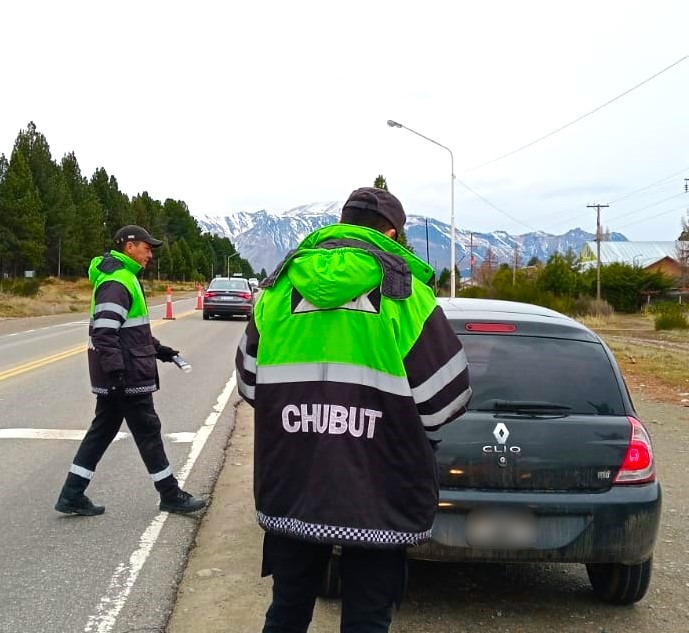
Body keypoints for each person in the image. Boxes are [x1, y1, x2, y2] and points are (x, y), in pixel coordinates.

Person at [235, 187, 472, 632]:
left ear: (341, 224)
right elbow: (446, 400)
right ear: (391, 234)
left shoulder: (276, 290)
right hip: (379, 491)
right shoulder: (407, 296)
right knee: (367, 618)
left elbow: (249, 384)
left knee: (287, 609)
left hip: (292, 482)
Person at [55, 225, 206, 516]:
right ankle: (170, 494)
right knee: (148, 431)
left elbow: (131, 333)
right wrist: (117, 373)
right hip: (126, 376)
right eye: (146, 248)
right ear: (129, 247)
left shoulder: (124, 277)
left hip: (123, 372)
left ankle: (72, 494)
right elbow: (104, 333)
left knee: (102, 431)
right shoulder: (117, 281)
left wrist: (159, 350)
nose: (150, 254)